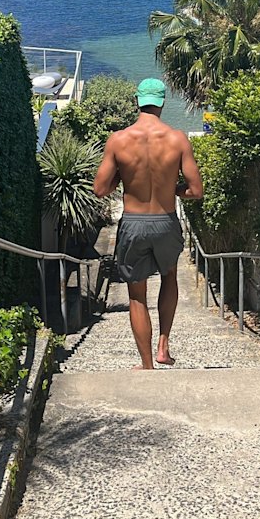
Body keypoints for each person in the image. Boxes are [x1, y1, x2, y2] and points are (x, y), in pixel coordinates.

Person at [93, 78, 203, 369]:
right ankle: (163, 346)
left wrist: (123, 179)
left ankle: (146, 365)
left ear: (137, 101)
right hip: (166, 221)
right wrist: (174, 190)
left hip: (134, 222)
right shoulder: (178, 139)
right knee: (169, 276)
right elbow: (195, 190)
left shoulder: (119, 140)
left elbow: (100, 189)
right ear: (162, 102)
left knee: (137, 294)